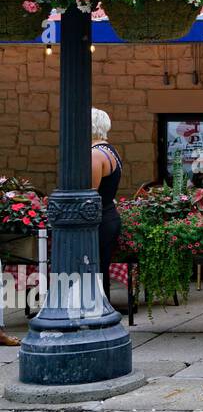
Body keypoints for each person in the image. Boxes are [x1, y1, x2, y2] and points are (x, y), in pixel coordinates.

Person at [90, 108, 123, 298]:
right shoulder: (110, 150)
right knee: (100, 269)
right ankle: (102, 308)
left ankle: (99, 309)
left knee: (96, 270)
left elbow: (90, 193)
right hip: (108, 215)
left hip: (99, 220)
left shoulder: (95, 154)